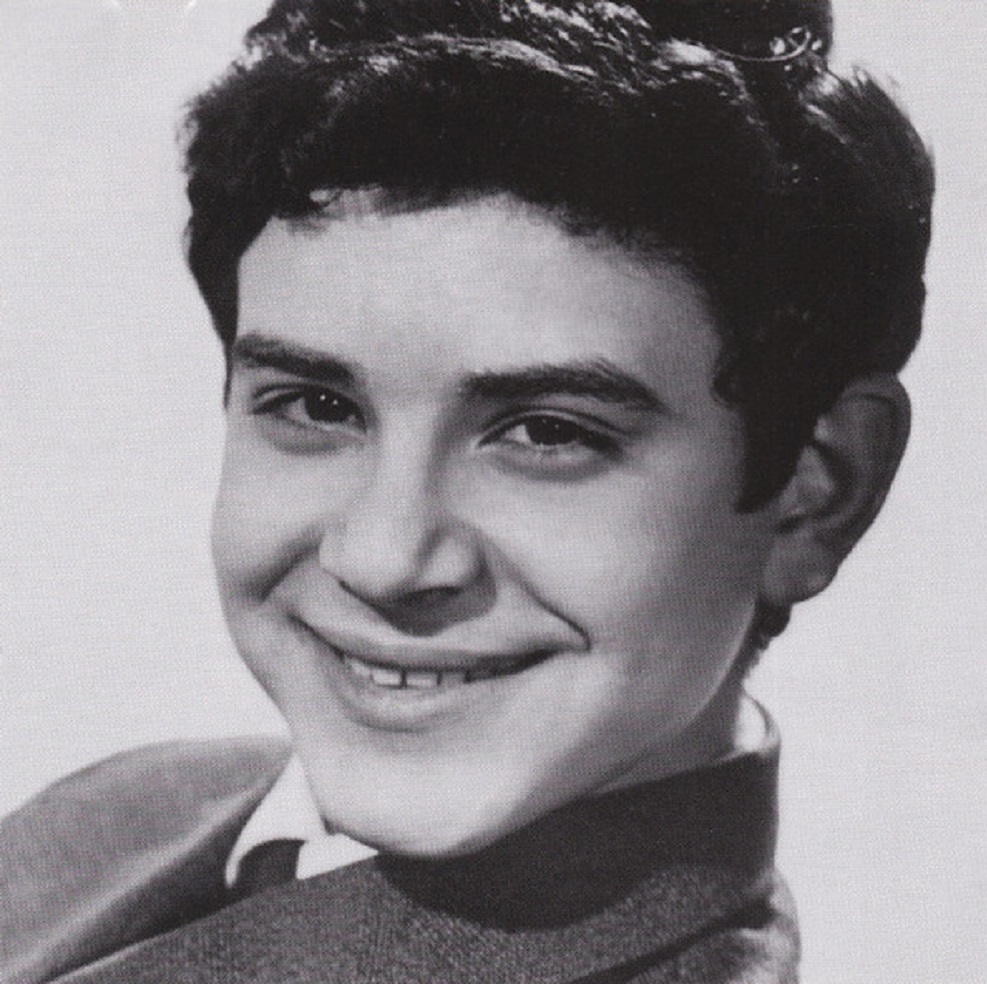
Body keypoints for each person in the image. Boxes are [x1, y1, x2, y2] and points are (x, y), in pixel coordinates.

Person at [0, 0, 933, 980]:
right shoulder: (123, 812)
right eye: (317, 406)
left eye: (548, 433)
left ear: (814, 495)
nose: (385, 559)